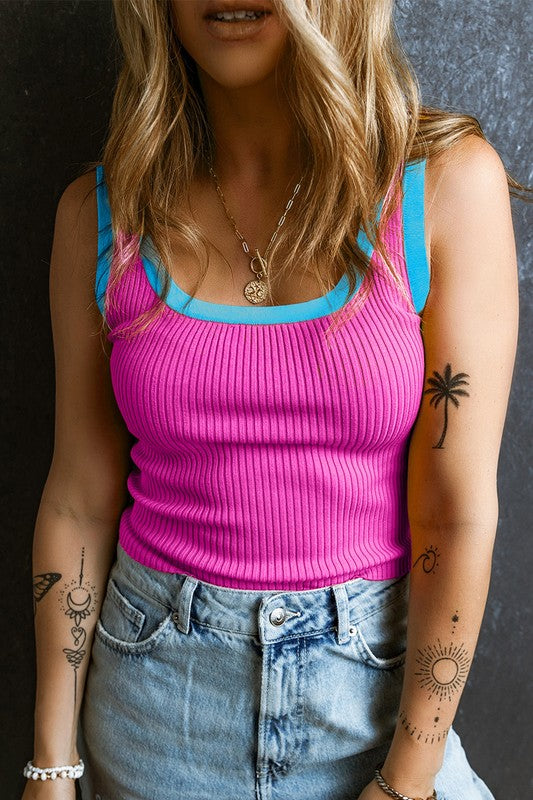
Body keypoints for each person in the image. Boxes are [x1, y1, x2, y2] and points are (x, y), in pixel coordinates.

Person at [22, 1, 524, 799]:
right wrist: (52, 763)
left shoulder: (446, 188)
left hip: (375, 705)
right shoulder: (99, 219)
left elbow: (456, 513)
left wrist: (408, 779)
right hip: (153, 710)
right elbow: (78, 501)